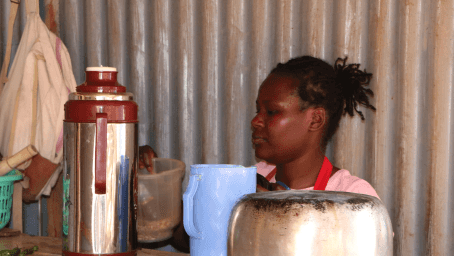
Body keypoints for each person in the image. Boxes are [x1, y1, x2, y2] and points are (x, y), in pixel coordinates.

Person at [140, 55, 380, 199]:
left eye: (272, 112)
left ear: (315, 119)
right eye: (258, 110)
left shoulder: (354, 196)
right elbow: (188, 236)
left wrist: (281, 215)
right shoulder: (252, 180)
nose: (256, 121)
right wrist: (149, 181)